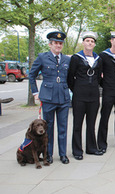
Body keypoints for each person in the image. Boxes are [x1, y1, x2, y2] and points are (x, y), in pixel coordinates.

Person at [29, 31, 70, 164]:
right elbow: (31, 75)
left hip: (63, 98)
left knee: (63, 128)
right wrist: (35, 92)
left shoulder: (67, 59)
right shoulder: (42, 57)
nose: (58, 45)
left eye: (60, 43)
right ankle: (49, 154)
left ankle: (63, 154)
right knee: (49, 128)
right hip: (48, 98)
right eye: (56, 43)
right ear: (50, 44)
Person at [67, 31, 103, 160]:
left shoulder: (98, 58)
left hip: (93, 96)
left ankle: (91, 148)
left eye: (92, 41)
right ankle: (77, 150)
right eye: (88, 41)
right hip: (79, 96)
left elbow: (99, 77)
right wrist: (77, 89)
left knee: (91, 123)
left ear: (94, 44)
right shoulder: (76, 58)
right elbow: (70, 77)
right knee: (77, 124)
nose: (90, 43)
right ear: (83, 43)